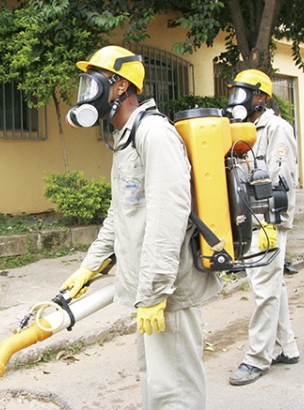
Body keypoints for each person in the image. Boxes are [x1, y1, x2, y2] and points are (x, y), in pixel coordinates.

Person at [61, 45, 221, 409]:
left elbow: (169, 216)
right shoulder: (127, 138)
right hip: (151, 292)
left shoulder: (154, 134)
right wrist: (90, 266)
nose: (86, 93)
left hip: (169, 291)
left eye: (93, 83)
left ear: (119, 86)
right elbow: (121, 214)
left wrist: (154, 293)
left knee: (175, 390)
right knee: (155, 382)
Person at [225, 69, 300, 386]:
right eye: (234, 92)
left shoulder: (276, 128)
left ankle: (258, 358)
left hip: (267, 221)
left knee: (265, 292)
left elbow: (280, 179)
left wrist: (271, 222)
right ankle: (287, 347)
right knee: (272, 287)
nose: (235, 99)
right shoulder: (244, 129)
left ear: (260, 97)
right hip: (251, 221)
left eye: (242, 92)